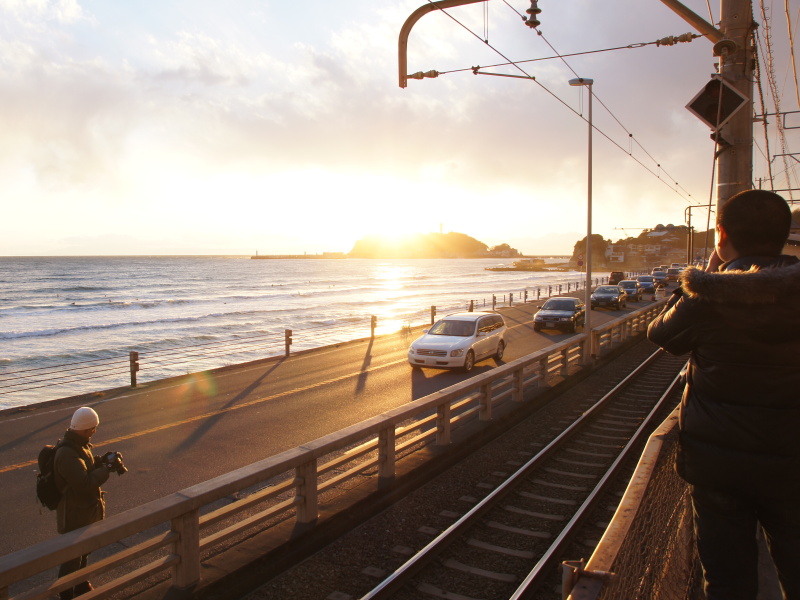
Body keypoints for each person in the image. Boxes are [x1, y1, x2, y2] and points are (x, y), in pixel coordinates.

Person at [647, 189, 800, 599]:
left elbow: (661, 333)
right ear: (784, 236)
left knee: (727, 582)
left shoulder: (710, 295)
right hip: (793, 463)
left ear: (721, 233)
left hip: (718, 467)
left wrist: (706, 275)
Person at [54, 407, 112, 600]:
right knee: (72, 556)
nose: (94, 432)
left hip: (85, 510)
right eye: (93, 428)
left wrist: (101, 462)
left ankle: (80, 583)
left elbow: (85, 468)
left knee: (84, 550)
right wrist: (106, 470)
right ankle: (65, 592)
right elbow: (84, 484)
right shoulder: (66, 453)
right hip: (73, 513)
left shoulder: (80, 444)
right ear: (85, 428)